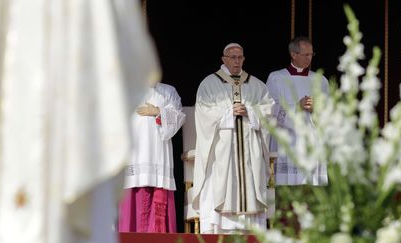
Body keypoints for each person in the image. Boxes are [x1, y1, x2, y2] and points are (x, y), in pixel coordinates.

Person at [192, 43, 274, 234]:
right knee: (220, 182)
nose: (237, 61)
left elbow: (269, 110)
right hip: (222, 148)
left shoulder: (256, 85)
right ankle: (219, 230)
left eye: (240, 57)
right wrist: (228, 112)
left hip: (249, 149)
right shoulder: (209, 84)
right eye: (233, 57)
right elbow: (203, 113)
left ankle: (249, 231)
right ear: (224, 59)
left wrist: (250, 112)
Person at [118, 80, 186, 233]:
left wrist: (158, 112)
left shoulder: (168, 91)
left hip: (158, 155)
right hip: (135, 154)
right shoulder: (127, 89)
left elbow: (180, 116)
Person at [266, 36, 329, 186]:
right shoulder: (276, 78)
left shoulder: (320, 81)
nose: (309, 58)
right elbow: (269, 109)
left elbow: (329, 112)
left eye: (311, 54)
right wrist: (296, 107)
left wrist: (316, 109)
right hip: (285, 140)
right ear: (293, 54)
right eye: (305, 54)